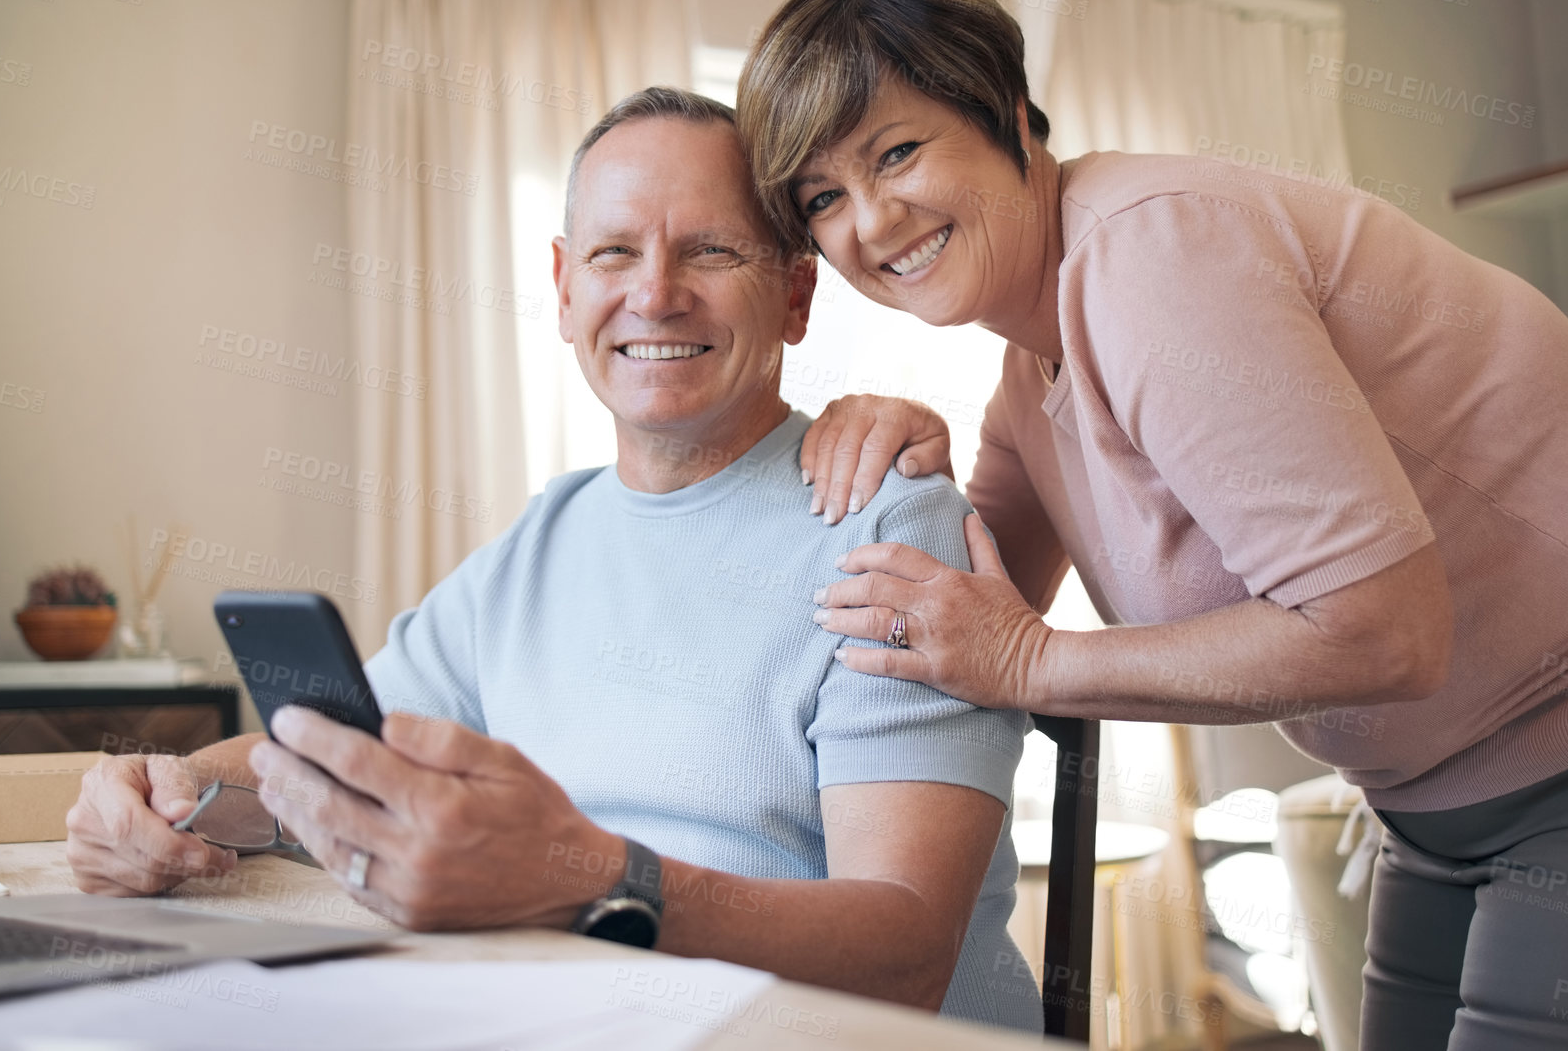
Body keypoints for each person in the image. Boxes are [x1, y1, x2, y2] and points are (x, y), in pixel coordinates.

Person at [733, 0, 1568, 1051]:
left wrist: (1031, 662)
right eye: (823, 198)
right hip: (1438, 802)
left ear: (1013, 121)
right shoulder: (1033, 374)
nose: (873, 219)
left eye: (898, 151)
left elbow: (1384, 632)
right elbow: (958, 616)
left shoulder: (1149, 254)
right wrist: (904, 456)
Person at [64, 87, 1043, 1033]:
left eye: (709, 251)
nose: (654, 295)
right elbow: (330, 756)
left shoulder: (893, 526)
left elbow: (908, 951)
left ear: (794, 296)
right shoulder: (545, 539)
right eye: (615, 253)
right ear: (565, 289)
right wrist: (167, 797)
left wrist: (592, 881)